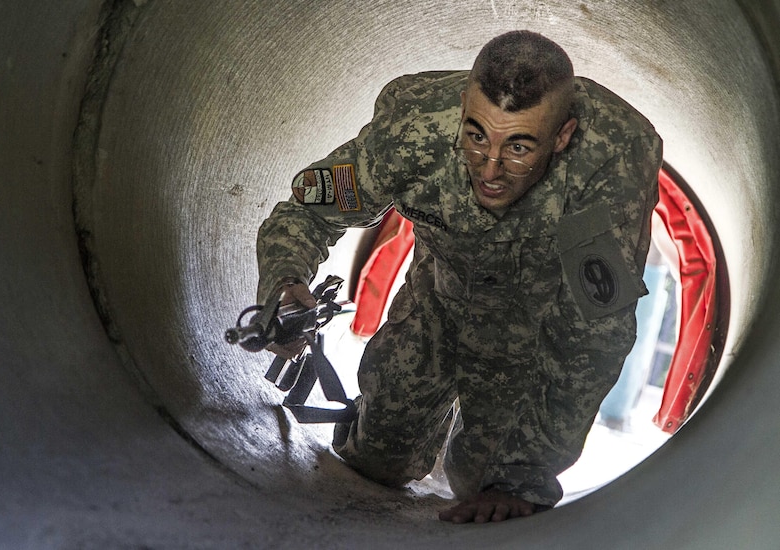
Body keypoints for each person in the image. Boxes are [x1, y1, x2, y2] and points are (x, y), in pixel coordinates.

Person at [255, 31, 663, 523]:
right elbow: (307, 213)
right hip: (438, 299)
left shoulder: (607, 164)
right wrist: (285, 285)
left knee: (484, 485)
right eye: (476, 136)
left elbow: (591, 333)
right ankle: (406, 419)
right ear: (463, 104)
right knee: (378, 459)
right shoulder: (414, 131)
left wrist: (528, 473)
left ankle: (482, 453)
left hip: (530, 329)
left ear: (562, 136)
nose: (489, 169)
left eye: (519, 146)